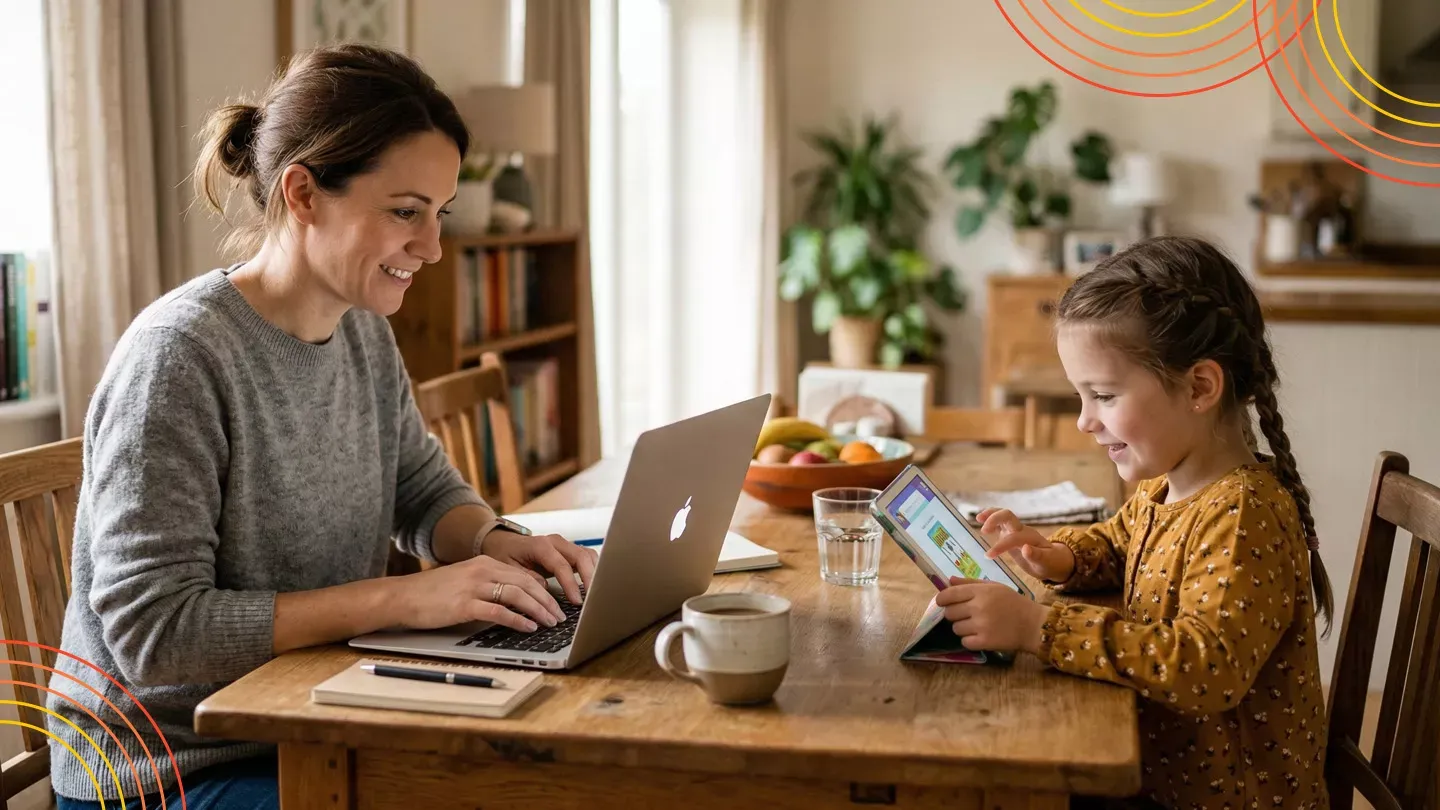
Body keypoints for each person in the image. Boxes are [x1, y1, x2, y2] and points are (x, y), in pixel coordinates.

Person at [45, 43, 597, 810]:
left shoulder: (361, 328)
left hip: (312, 717)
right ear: (303, 194)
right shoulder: (178, 357)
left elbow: (420, 487)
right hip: (166, 769)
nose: (433, 248)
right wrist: (407, 600)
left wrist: (499, 542)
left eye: (440, 215)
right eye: (405, 212)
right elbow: (155, 635)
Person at [933, 236, 1333, 810]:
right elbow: (1123, 540)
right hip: (1161, 780)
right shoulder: (1167, 482)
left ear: (1199, 387)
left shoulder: (1245, 513)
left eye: (1102, 395)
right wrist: (1061, 556)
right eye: (1081, 396)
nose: (1083, 421)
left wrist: (1036, 629)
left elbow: (1205, 667)